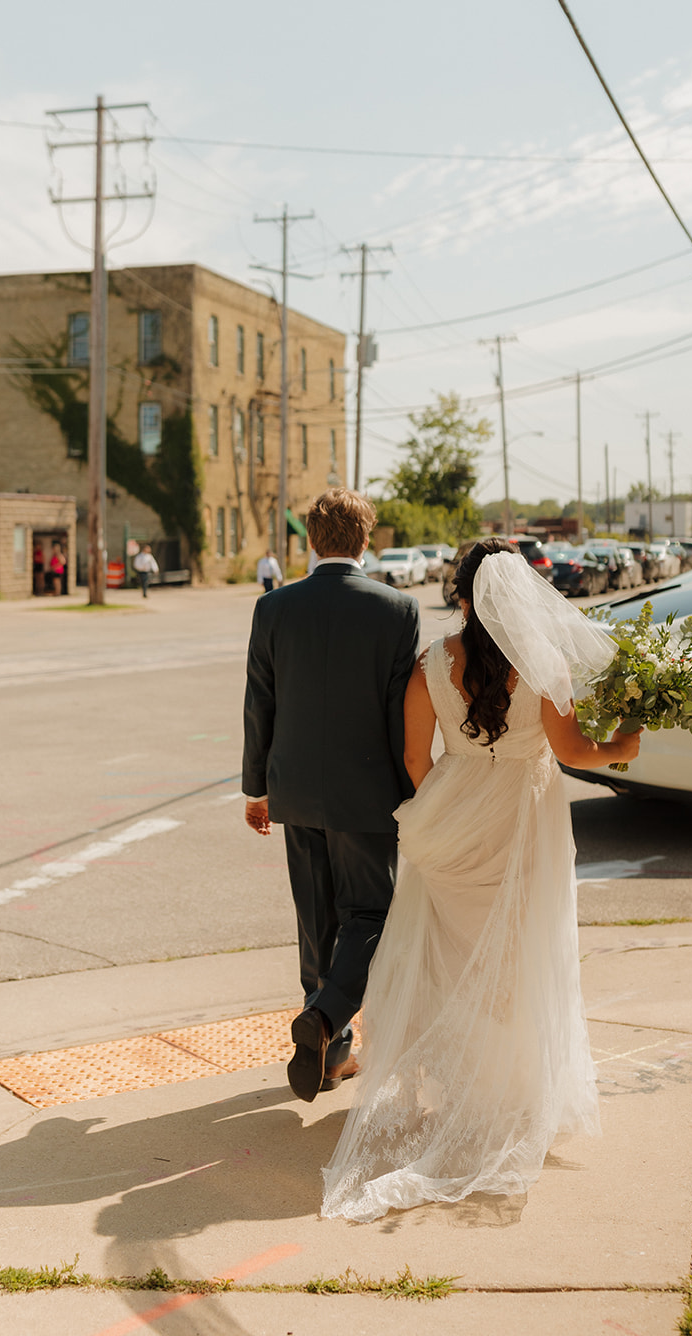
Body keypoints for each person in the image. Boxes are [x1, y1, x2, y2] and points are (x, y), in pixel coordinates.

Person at [321, 536, 642, 1223]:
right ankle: (508, 1094)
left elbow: (414, 756)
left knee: (452, 953)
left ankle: (462, 1087)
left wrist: (451, 811)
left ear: (462, 595)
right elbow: (575, 751)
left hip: (453, 818)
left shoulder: (430, 664)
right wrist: (625, 746)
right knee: (520, 953)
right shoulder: (541, 663)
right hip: (524, 820)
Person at [242, 488, 420, 1103]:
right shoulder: (397, 609)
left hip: (293, 788)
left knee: (316, 918)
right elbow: (400, 715)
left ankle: (328, 1051)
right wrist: (411, 792)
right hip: (367, 791)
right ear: (365, 539)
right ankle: (324, 1020)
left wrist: (256, 789)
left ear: (309, 541)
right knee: (370, 913)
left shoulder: (274, 607)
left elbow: (259, 703)